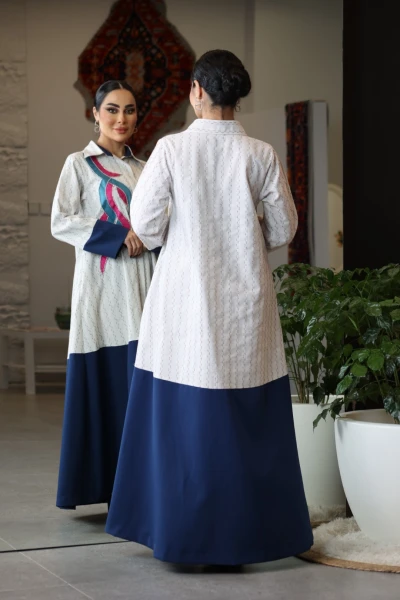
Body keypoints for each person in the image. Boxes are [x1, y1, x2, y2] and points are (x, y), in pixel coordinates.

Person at [106, 51, 313, 564]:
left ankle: (181, 534)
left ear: (197, 89)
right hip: (246, 301)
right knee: (248, 419)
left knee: (181, 419)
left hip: (185, 298)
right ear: (237, 95)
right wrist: (243, 230)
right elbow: (284, 229)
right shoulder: (261, 153)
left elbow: (145, 225)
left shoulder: (171, 149)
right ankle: (246, 535)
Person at [51, 80, 157, 509]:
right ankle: (103, 486)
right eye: (112, 109)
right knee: (109, 380)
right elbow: (61, 220)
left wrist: (150, 235)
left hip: (145, 286)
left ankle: (141, 488)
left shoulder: (146, 168)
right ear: (95, 114)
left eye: (129, 110)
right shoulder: (78, 164)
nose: (121, 119)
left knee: (142, 381)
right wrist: (119, 235)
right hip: (102, 290)